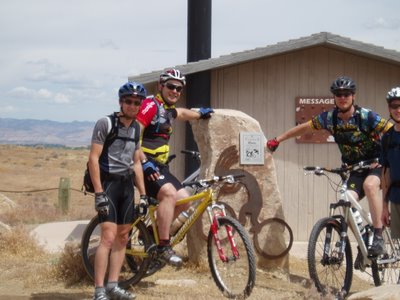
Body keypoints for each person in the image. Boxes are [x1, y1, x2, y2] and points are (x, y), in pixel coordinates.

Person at [267, 76, 392, 256]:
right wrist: (278, 139)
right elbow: (304, 128)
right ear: (334, 97)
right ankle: (364, 237)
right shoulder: (329, 118)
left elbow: (391, 130)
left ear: (353, 96)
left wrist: (388, 156)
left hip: (376, 164)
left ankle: (379, 236)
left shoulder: (366, 116)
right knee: (346, 198)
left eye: (346, 94)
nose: (343, 97)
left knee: (370, 185)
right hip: (354, 168)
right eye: (339, 94)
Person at [136, 68, 213, 266]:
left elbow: (182, 113)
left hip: (160, 167)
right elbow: (133, 135)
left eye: (179, 88)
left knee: (185, 200)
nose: (175, 91)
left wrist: (200, 114)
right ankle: (163, 246)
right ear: (161, 86)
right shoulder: (150, 105)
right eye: (171, 86)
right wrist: (144, 163)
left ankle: (152, 235)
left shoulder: (168, 110)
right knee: (169, 194)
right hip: (142, 164)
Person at [89, 81, 148, 300]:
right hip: (108, 185)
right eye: (128, 101)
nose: (133, 106)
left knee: (123, 237)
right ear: (121, 102)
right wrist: (99, 193)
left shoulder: (136, 128)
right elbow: (93, 159)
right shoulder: (105, 123)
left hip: (126, 185)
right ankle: (99, 290)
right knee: (107, 237)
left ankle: (113, 286)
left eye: (136, 102)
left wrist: (142, 194)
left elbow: (136, 163)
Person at [381, 87, 400, 240]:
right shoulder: (387, 137)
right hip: (395, 198)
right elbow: (385, 173)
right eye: (394, 106)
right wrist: (384, 207)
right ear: (389, 108)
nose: (398, 110)